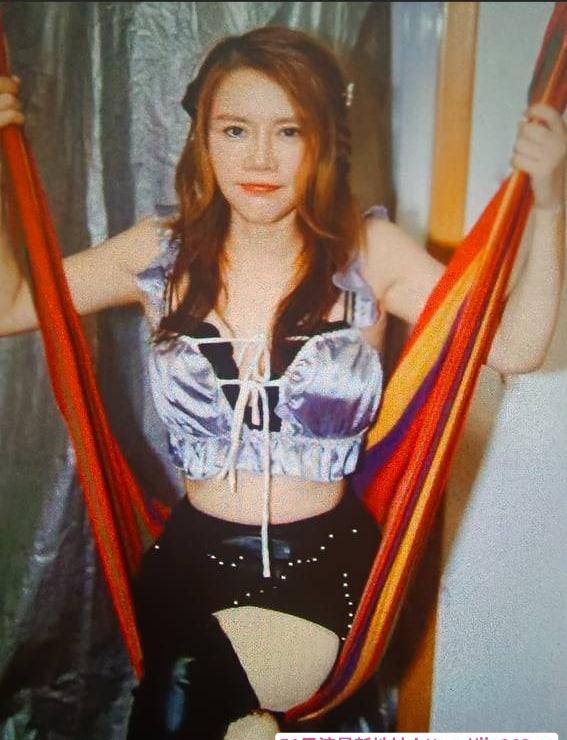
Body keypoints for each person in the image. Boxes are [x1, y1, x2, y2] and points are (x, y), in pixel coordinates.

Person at [0, 24, 565, 740]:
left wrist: (549, 206)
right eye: (235, 130)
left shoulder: (370, 254)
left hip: (326, 568)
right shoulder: (157, 254)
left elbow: (514, 348)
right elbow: (11, 306)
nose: (260, 158)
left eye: (288, 131)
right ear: (203, 138)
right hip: (189, 567)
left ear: (323, 140)